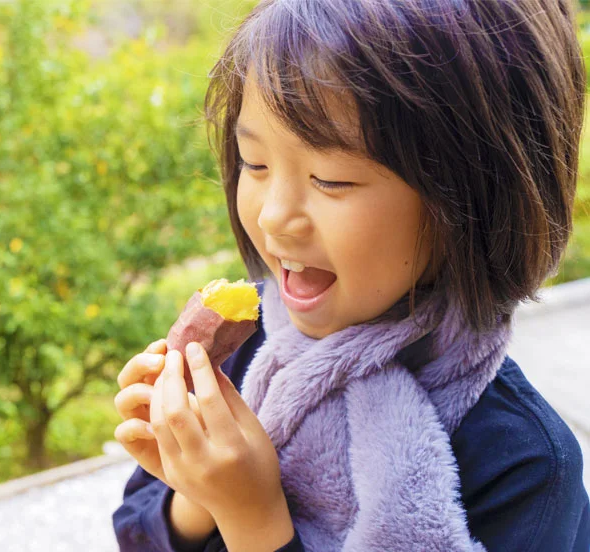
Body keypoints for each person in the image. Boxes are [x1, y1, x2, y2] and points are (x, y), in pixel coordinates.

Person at [111, 0, 590, 551]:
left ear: (476, 196)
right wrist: (195, 489)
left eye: (331, 179)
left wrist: (254, 518)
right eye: (255, 163)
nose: (273, 217)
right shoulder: (249, 348)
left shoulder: (525, 465)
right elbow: (138, 530)